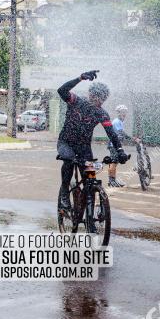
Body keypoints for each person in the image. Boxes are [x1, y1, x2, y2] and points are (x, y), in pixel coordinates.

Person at [56, 70, 128, 212]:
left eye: (102, 99)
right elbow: (61, 90)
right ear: (90, 94)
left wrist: (120, 151)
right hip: (66, 143)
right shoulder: (76, 101)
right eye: (96, 97)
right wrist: (80, 78)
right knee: (69, 161)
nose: (98, 101)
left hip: (84, 147)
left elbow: (112, 134)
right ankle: (64, 192)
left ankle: (89, 209)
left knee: (90, 177)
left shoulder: (101, 113)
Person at [107, 105, 131, 187]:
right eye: (122, 112)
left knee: (114, 162)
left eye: (125, 112)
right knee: (114, 162)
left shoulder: (120, 121)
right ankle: (111, 181)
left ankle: (112, 180)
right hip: (113, 145)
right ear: (119, 113)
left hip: (115, 145)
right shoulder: (117, 121)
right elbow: (121, 132)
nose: (124, 114)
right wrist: (130, 138)